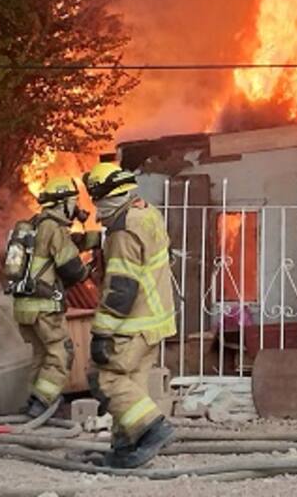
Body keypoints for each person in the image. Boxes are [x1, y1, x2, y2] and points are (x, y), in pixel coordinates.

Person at [81, 162, 177, 468]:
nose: (95, 208)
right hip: (155, 319)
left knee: (104, 378)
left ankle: (152, 430)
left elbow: (120, 289)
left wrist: (101, 333)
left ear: (104, 196)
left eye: (96, 200)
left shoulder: (122, 232)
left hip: (131, 322)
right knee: (131, 383)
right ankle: (125, 448)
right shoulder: (146, 212)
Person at [12, 176, 91, 418]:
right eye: (74, 202)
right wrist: (87, 269)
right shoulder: (54, 227)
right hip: (44, 305)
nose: (76, 207)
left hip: (23, 304)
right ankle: (42, 405)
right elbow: (71, 268)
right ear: (64, 203)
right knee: (62, 352)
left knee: (41, 354)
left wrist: (89, 241)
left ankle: (32, 405)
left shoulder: (34, 224)